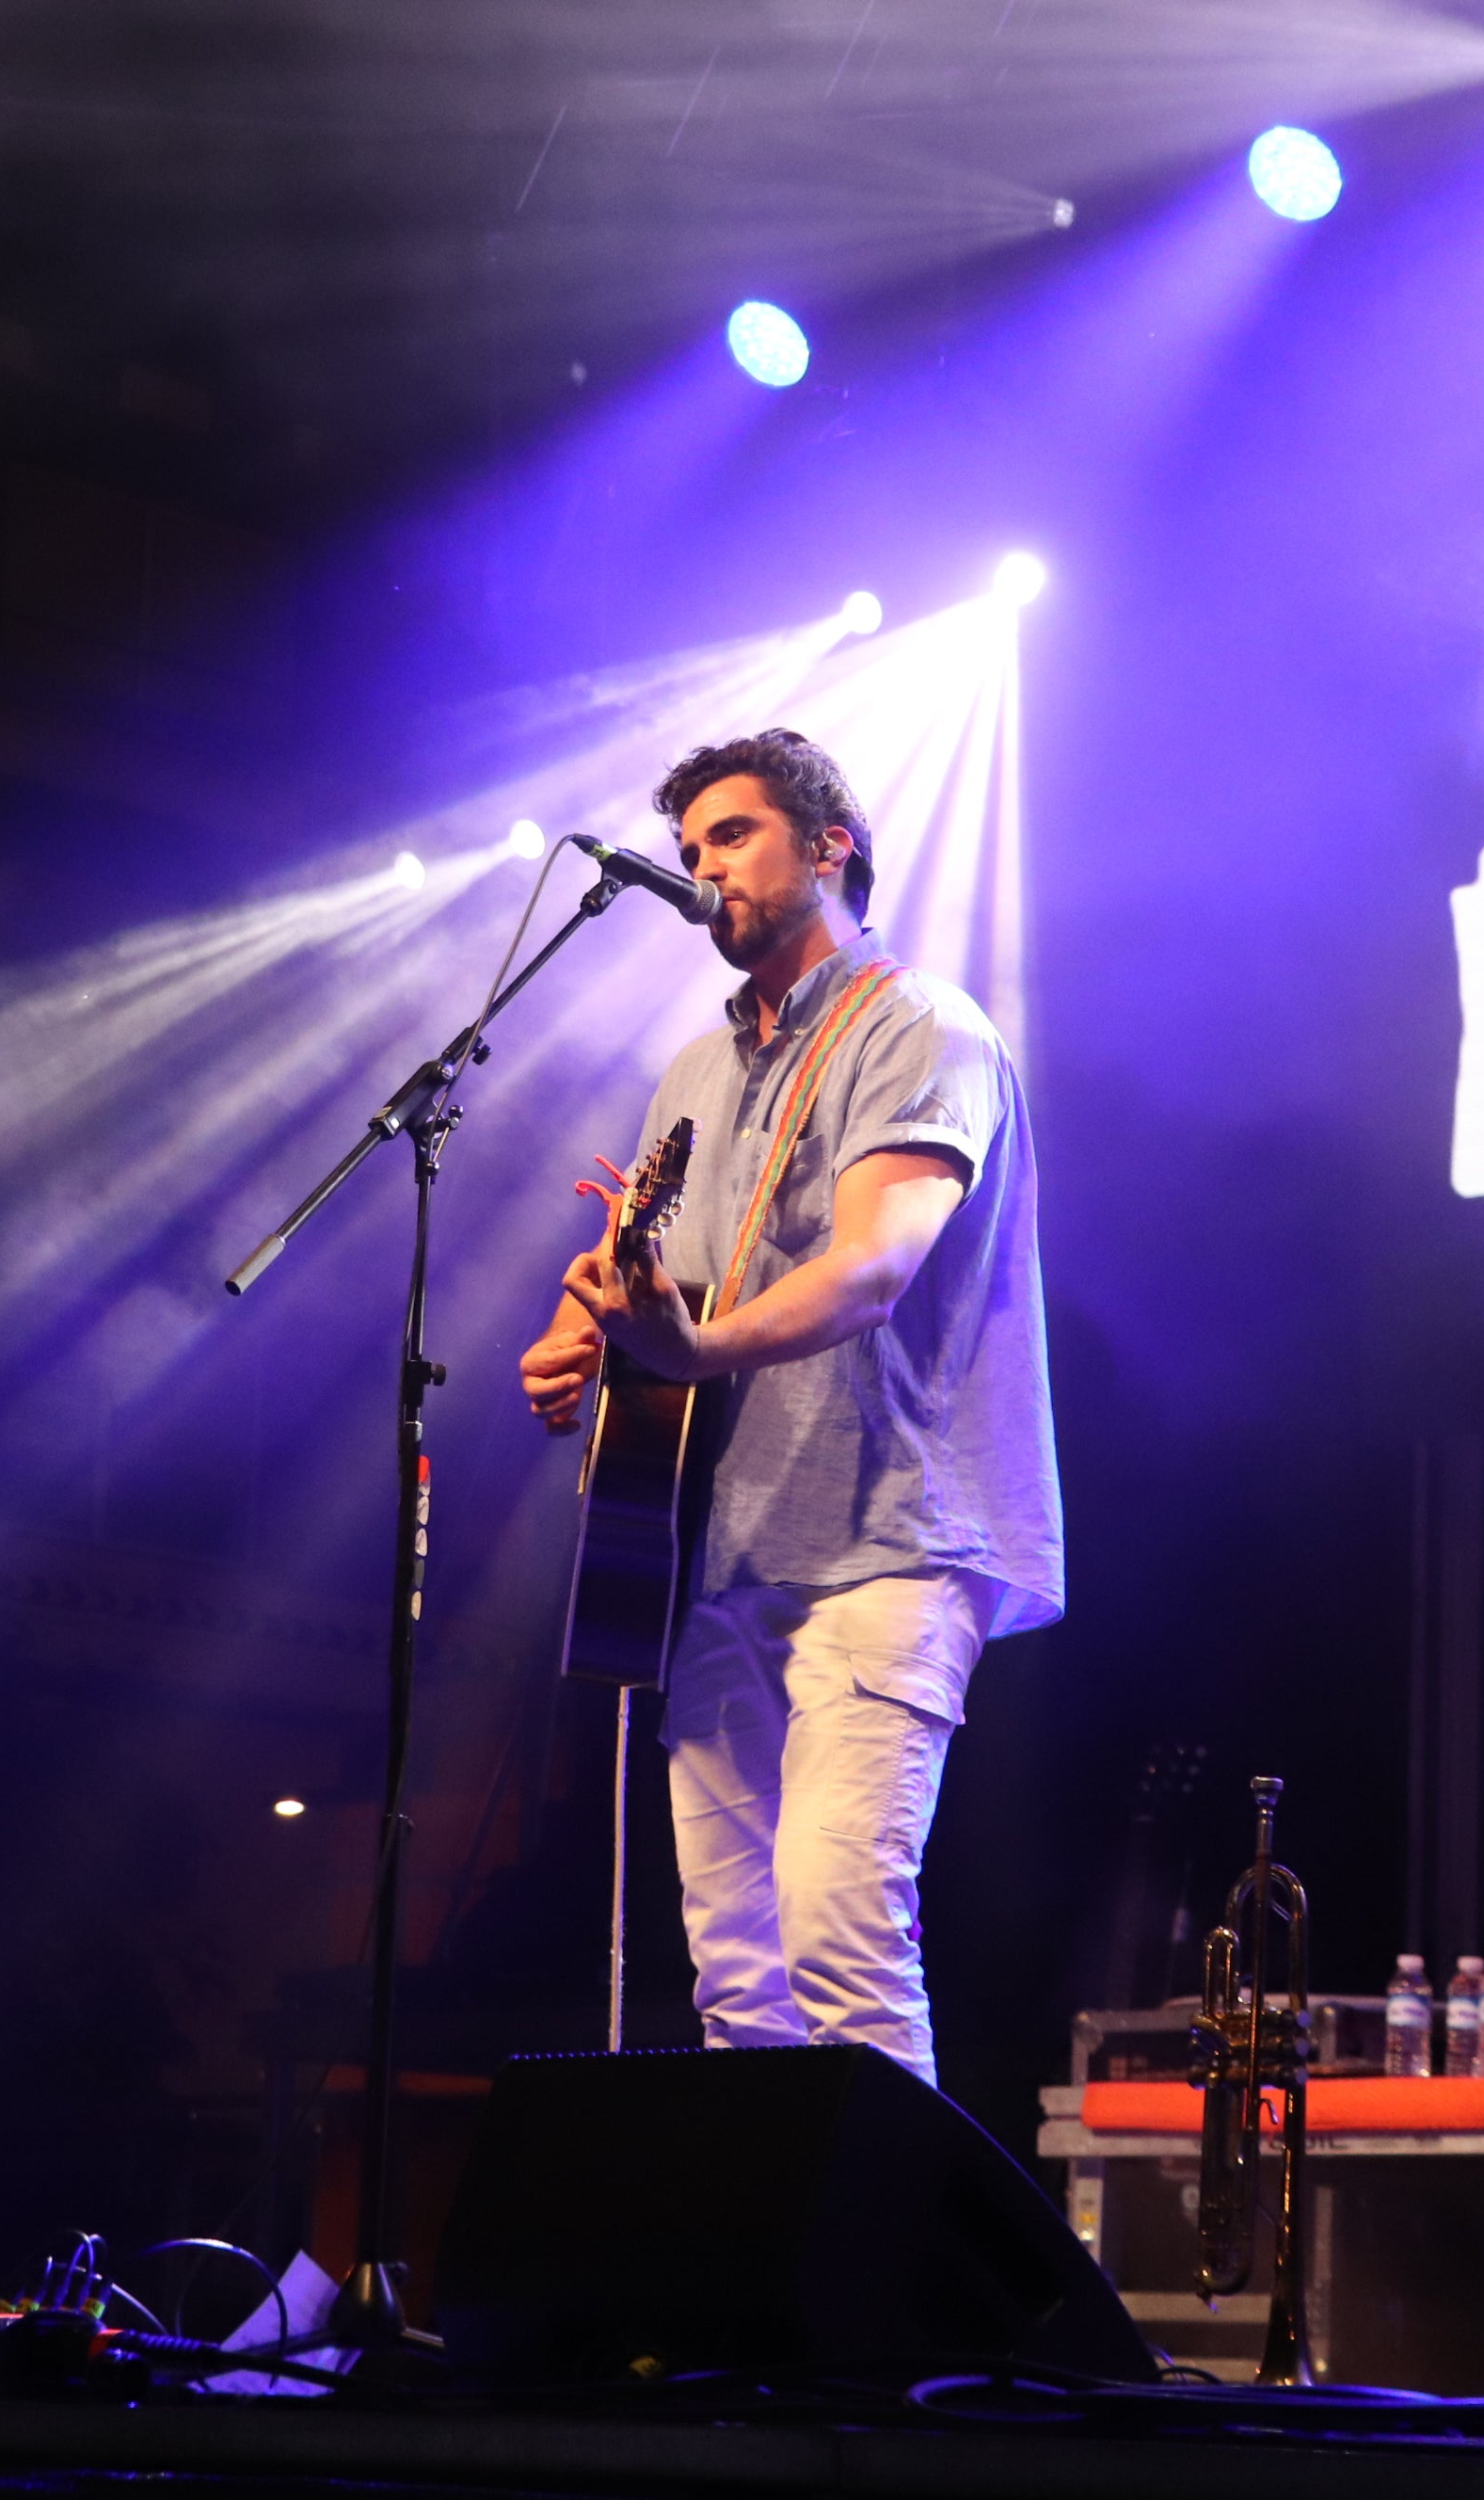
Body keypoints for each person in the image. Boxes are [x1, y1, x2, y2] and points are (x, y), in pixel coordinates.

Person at [518, 729, 1060, 2085]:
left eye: (735, 837)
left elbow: (874, 1266)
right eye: (692, 848)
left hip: (894, 1537)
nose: (704, 870)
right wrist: (584, 1330)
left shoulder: (920, 1025)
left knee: (838, 1927)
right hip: (721, 1549)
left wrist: (692, 1352)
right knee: (736, 1968)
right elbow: (662, 1278)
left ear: (832, 848)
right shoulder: (695, 1076)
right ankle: (760, 2291)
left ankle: (892, 2290)